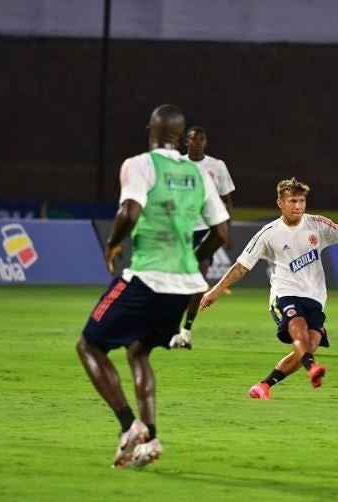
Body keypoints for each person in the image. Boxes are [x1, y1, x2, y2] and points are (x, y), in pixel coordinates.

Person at [76, 104, 229, 468]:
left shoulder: (139, 164)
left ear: (150, 130)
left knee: (89, 345)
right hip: (183, 287)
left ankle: (130, 426)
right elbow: (222, 233)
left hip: (148, 278)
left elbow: (129, 212)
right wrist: (192, 259)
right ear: (181, 137)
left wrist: (113, 242)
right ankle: (152, 439)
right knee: (138, 352)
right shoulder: (199, 174)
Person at [199, 177, 338, 399]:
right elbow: (241, 266)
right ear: (280, 203)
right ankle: (311, 367)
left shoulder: (317, 224)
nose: (299, 206)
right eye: (293, 201)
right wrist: (216, 290)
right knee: (298, 325)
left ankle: (263, 386)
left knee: (310, 343)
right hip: (284, 294)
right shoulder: (269, 234)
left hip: (314, 296)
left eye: (302, 201)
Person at [170, 126, 235, 350]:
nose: (197, 142)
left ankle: (186, 330)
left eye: (201, 139)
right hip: (181, 231)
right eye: (193, 139)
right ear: (186, 142)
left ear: (205, 142)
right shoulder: (176, 164)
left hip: (207, 230)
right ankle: (171, 330)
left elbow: (226, 200)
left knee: (199, 279)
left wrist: (227, 229)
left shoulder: (216, 166)